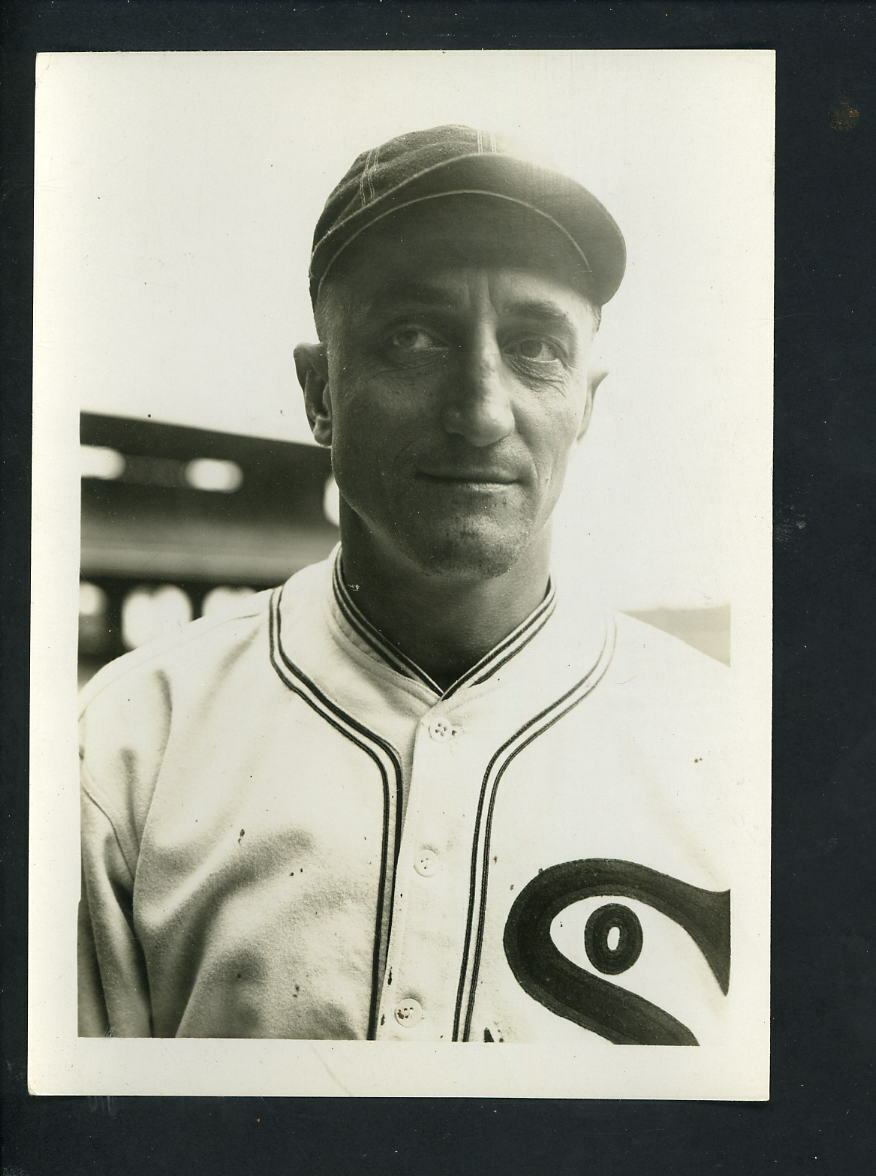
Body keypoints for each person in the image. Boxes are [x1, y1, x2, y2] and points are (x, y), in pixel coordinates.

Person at [79, 125, 745, 1046]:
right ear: (320, 392)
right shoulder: (120, 753)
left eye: (536, 346)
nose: (479, 409)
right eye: (414, 336)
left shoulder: (741, 755)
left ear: (586, 399)